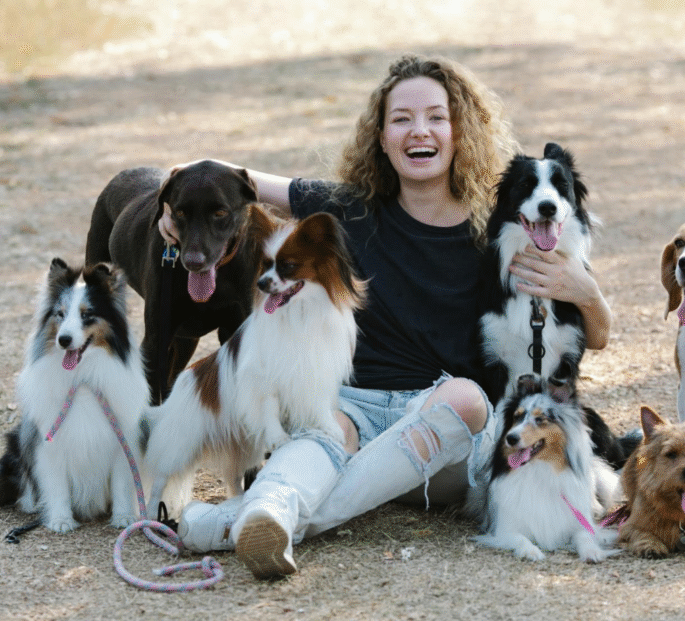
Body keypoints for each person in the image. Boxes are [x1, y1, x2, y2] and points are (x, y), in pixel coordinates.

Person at [159, 54, 612, 579]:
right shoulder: (350, 207)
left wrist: (587, 292)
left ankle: (227, 522)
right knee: (323, 423)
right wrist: (175, 197)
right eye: (401, 119)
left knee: (464, 397)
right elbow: (234, 179)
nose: (419, 130)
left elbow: (595, 336)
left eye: (436, 117)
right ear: (380, 136)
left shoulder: (500, 227)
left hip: (444, 435)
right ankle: (270, 514)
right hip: (359, 408)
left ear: (460, 130)